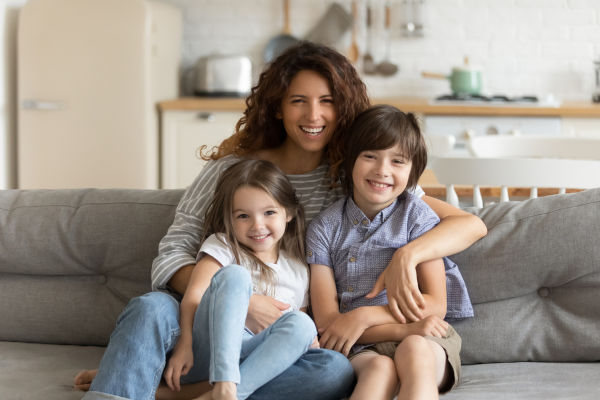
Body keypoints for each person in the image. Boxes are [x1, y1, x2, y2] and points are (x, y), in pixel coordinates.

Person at [75, 41, 486, 399]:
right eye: (298, 100)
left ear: (344, 108)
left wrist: (406, 257)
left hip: (285, 340)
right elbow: (173, 251)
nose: (314, 114)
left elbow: (466, 224)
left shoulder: (359, 174)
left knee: (333, 371)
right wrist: (239, 301)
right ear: (276, 108)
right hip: (210, 319)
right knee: (150, 309)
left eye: (327, 101)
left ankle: (177, 390)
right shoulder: (233, 170)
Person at [308, 105, 474, 400]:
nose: (382, 170)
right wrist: (396, 329)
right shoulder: (323, 229)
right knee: (379, 370)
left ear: (413, 172)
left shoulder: (418, 218)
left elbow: (435, 306)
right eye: (370, 156)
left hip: (425, 337)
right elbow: (330, 324)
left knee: (413, 349)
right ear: (349, 161)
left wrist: (363, 316)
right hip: (363, 346)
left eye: (397, 161)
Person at [163, 158, 320, 400]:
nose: (258, 225)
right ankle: (224, 384)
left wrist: (308, 345)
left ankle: (222, 394)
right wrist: (184, 344)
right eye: (243, 216)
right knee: (235, 275)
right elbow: (195, 296)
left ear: (288, 213)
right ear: (229, 219)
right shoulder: (223, 246)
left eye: (269, 213)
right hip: (211, 350)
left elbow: (297, 327)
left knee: (309, 332)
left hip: (259, 359)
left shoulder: (298, 268)